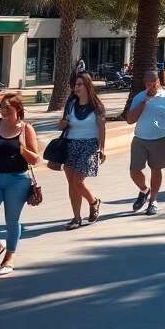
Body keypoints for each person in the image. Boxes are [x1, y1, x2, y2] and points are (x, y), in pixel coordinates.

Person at [0, 93, 40, 276]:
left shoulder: (26, 129)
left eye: (7, 108)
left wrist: (21, 147)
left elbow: (35, 159)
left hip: (17, 180)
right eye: (1, 107)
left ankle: (9, 257)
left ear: (17, 109)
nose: (3, 111)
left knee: (12, 220)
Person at [58, 73, 107, 230]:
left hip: (89, 146)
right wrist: (62, 123)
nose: (76, 87)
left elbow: (102, 128)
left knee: (77, 181)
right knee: (71, 184)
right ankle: (76, 218)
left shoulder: (97, 107)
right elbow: (62, 125)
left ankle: (93, 202)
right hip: (71, 144)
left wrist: (102, 148)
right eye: (75, 85)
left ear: (87, 86)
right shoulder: (71, 104)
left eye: (79, 84)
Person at [126, 69, 165, 215]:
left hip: (160, 139)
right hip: (140, 139)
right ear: (144, 83)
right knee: (134, 170)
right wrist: (144, 103)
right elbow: (130, 120)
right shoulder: (139, 98)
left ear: (158, 82)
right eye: (147, 83)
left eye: (153, 82)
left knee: (156, 170)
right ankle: (144, 190)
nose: (150, 85)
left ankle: (153, 200)